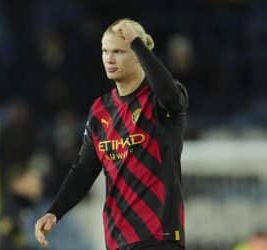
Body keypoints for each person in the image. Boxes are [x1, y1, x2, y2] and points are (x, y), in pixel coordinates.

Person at [34, 18, 188, 250]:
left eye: (118, 51)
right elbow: (84, 169)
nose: (109, 58)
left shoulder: (160, 100)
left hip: (159, 236)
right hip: (117, 239)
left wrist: (136, 42)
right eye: (105, 51)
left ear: (138, 54)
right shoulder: (100, 109)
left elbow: (170, 96)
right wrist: (55, 211)